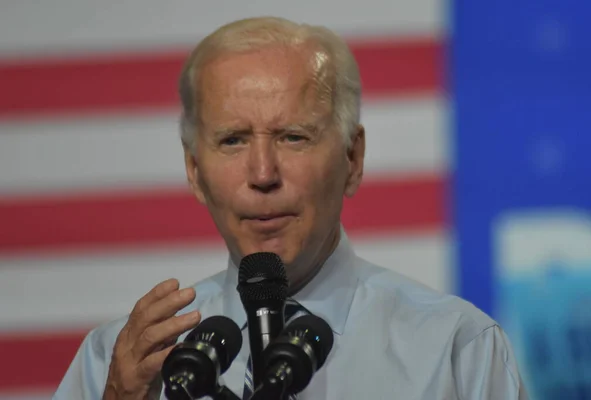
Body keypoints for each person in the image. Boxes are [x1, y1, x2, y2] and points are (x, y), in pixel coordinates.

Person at [54, 16, 527, 400]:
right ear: (195, 172)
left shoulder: (458, 352)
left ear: (353, 158)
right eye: (233, 140)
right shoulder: (115, 365)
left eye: (293, 137)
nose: (263, 174)